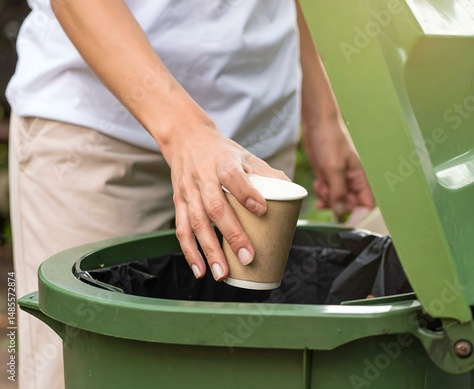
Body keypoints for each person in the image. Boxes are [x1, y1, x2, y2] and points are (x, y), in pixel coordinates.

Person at [7, 0, 375, 387]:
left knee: (249, 371)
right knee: (82, 369)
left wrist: (321, 114)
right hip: (97, 129)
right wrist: (185, 131)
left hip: (252, 151)